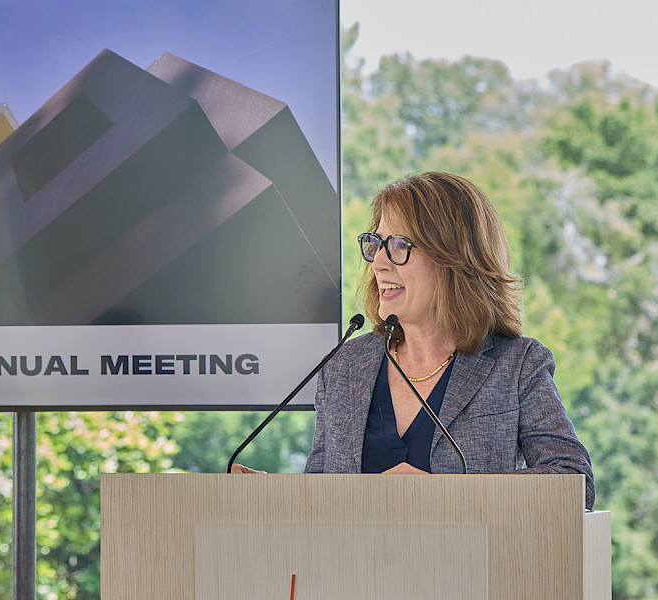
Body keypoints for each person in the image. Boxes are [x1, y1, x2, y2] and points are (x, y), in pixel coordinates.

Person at [238, 172, 594, 511]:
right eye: (376, 244)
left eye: (397, 245)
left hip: (471, 572)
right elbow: (322, 495)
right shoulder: (345, 366)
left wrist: (445, 495)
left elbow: (574, 482)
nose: (378, 262)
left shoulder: (517, 365)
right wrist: (271, 496)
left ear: (454, 258)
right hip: (354, 574)